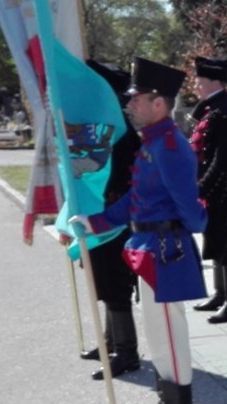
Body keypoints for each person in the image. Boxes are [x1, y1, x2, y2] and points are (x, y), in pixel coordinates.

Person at [71, 57, 204, 404]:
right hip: (149, 245)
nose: (129, 105)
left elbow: (190, 208)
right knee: (157, 334)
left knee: (168, 335)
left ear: (159, 103)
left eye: (136, 98)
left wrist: (186, 228)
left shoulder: (170, 145)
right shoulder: (153, 142)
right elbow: (135, 199)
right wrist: (95, 221)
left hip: (165, 250)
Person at [80, 60, 142, 381]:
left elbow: (122, 176)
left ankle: (126, 352)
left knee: (115, 284)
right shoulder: (106, 125)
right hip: (99, 213)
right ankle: (109, 342)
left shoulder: (120, 130)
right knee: (100, 277)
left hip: (114, 218)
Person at [189, 56, 227, 324]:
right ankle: (219, 293)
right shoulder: (211, 108)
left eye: (200, 80)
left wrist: (203, 186)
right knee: (213, 240)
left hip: (224, 188)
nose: (195, 84)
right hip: (211, 188)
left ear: (214, 82)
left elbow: (224, 158)